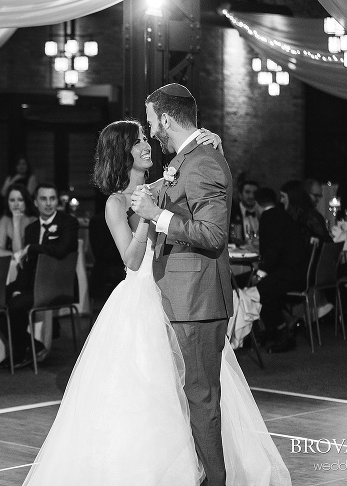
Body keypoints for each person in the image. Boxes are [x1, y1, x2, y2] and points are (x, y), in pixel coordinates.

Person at [24, 119, 290, 485]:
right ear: (122, 152)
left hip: (179, 293)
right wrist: (147, 217)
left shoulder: (165, 181)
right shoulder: (116, 204)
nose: (147, 145)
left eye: (146, 138)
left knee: (195, 388)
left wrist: (211, 144)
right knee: (150, 392)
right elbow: (131, 261)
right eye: (138, 142)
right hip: (141, 301)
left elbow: (199, 188)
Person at [130, 84, 237, 486]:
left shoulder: (203, 161)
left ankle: (215, 481)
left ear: (167, 119)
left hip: (197, 299)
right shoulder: (187, 159)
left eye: (151, 118)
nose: (151, 127)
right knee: (190, 395)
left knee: (201, 396)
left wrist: (158, 216)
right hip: (180, 296)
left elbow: (212, 234)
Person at [0, 183, 79, 369]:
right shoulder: (32, 229)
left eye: (52, 198)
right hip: (32, 284)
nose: (48, 203)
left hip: (57, 285)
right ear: (35, 202)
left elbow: (61, 250)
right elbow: (27, 266)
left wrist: (32, 248)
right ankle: (34, 346)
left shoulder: (68, 223)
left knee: (16, 306)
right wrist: (18, 288)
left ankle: (19, 354)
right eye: (43, 199)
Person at [254, 187, 307, 353]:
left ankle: (282, 330)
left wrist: (261, 272)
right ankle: (274, 329)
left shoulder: (269, 216)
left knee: (260, 289)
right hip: (297, 271)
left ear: (257, 205)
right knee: (262, 286)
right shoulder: (282, 215)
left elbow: (273, 249)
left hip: (290, 274)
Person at [0, 183, 37, 253]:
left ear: (26, 201)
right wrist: (13, 255)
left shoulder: (33, 221)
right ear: (7, 202)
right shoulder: (5, 220)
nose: (16, 204)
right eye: (12, 200)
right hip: (10, 263)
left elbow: (19, 253)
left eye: (20, 200)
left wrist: (16, 223)